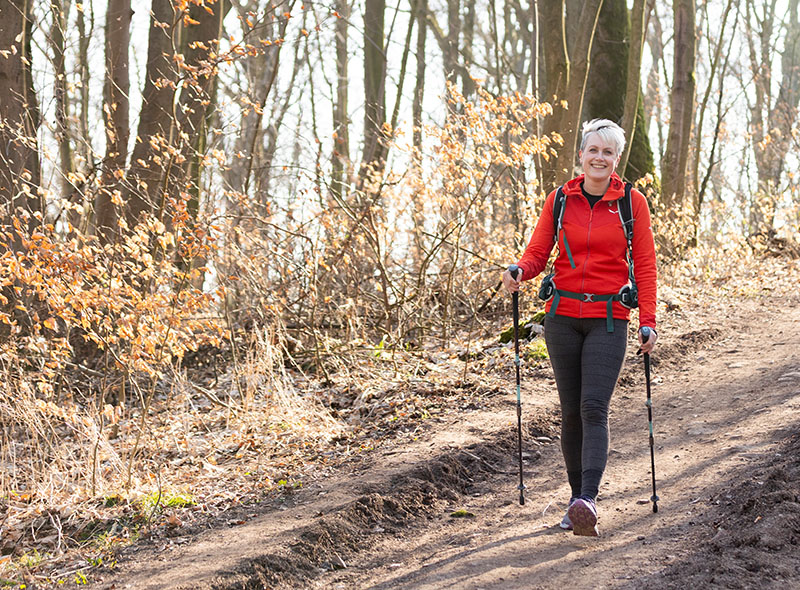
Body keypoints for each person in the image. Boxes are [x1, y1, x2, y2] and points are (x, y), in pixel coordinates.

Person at [502, 119, 658, 536]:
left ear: (617, 159)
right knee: (570, 412)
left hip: (609, 319)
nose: (599, 158)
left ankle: (588, 497)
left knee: (593, 407)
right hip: (562, 318)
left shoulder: (631, 203)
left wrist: (648, 322)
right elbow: (538, 252)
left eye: (608, 152)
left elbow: (645, 266)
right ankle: (576, 504)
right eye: (593, 150)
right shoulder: (559, 200)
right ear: (581, 155)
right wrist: (520, 270)